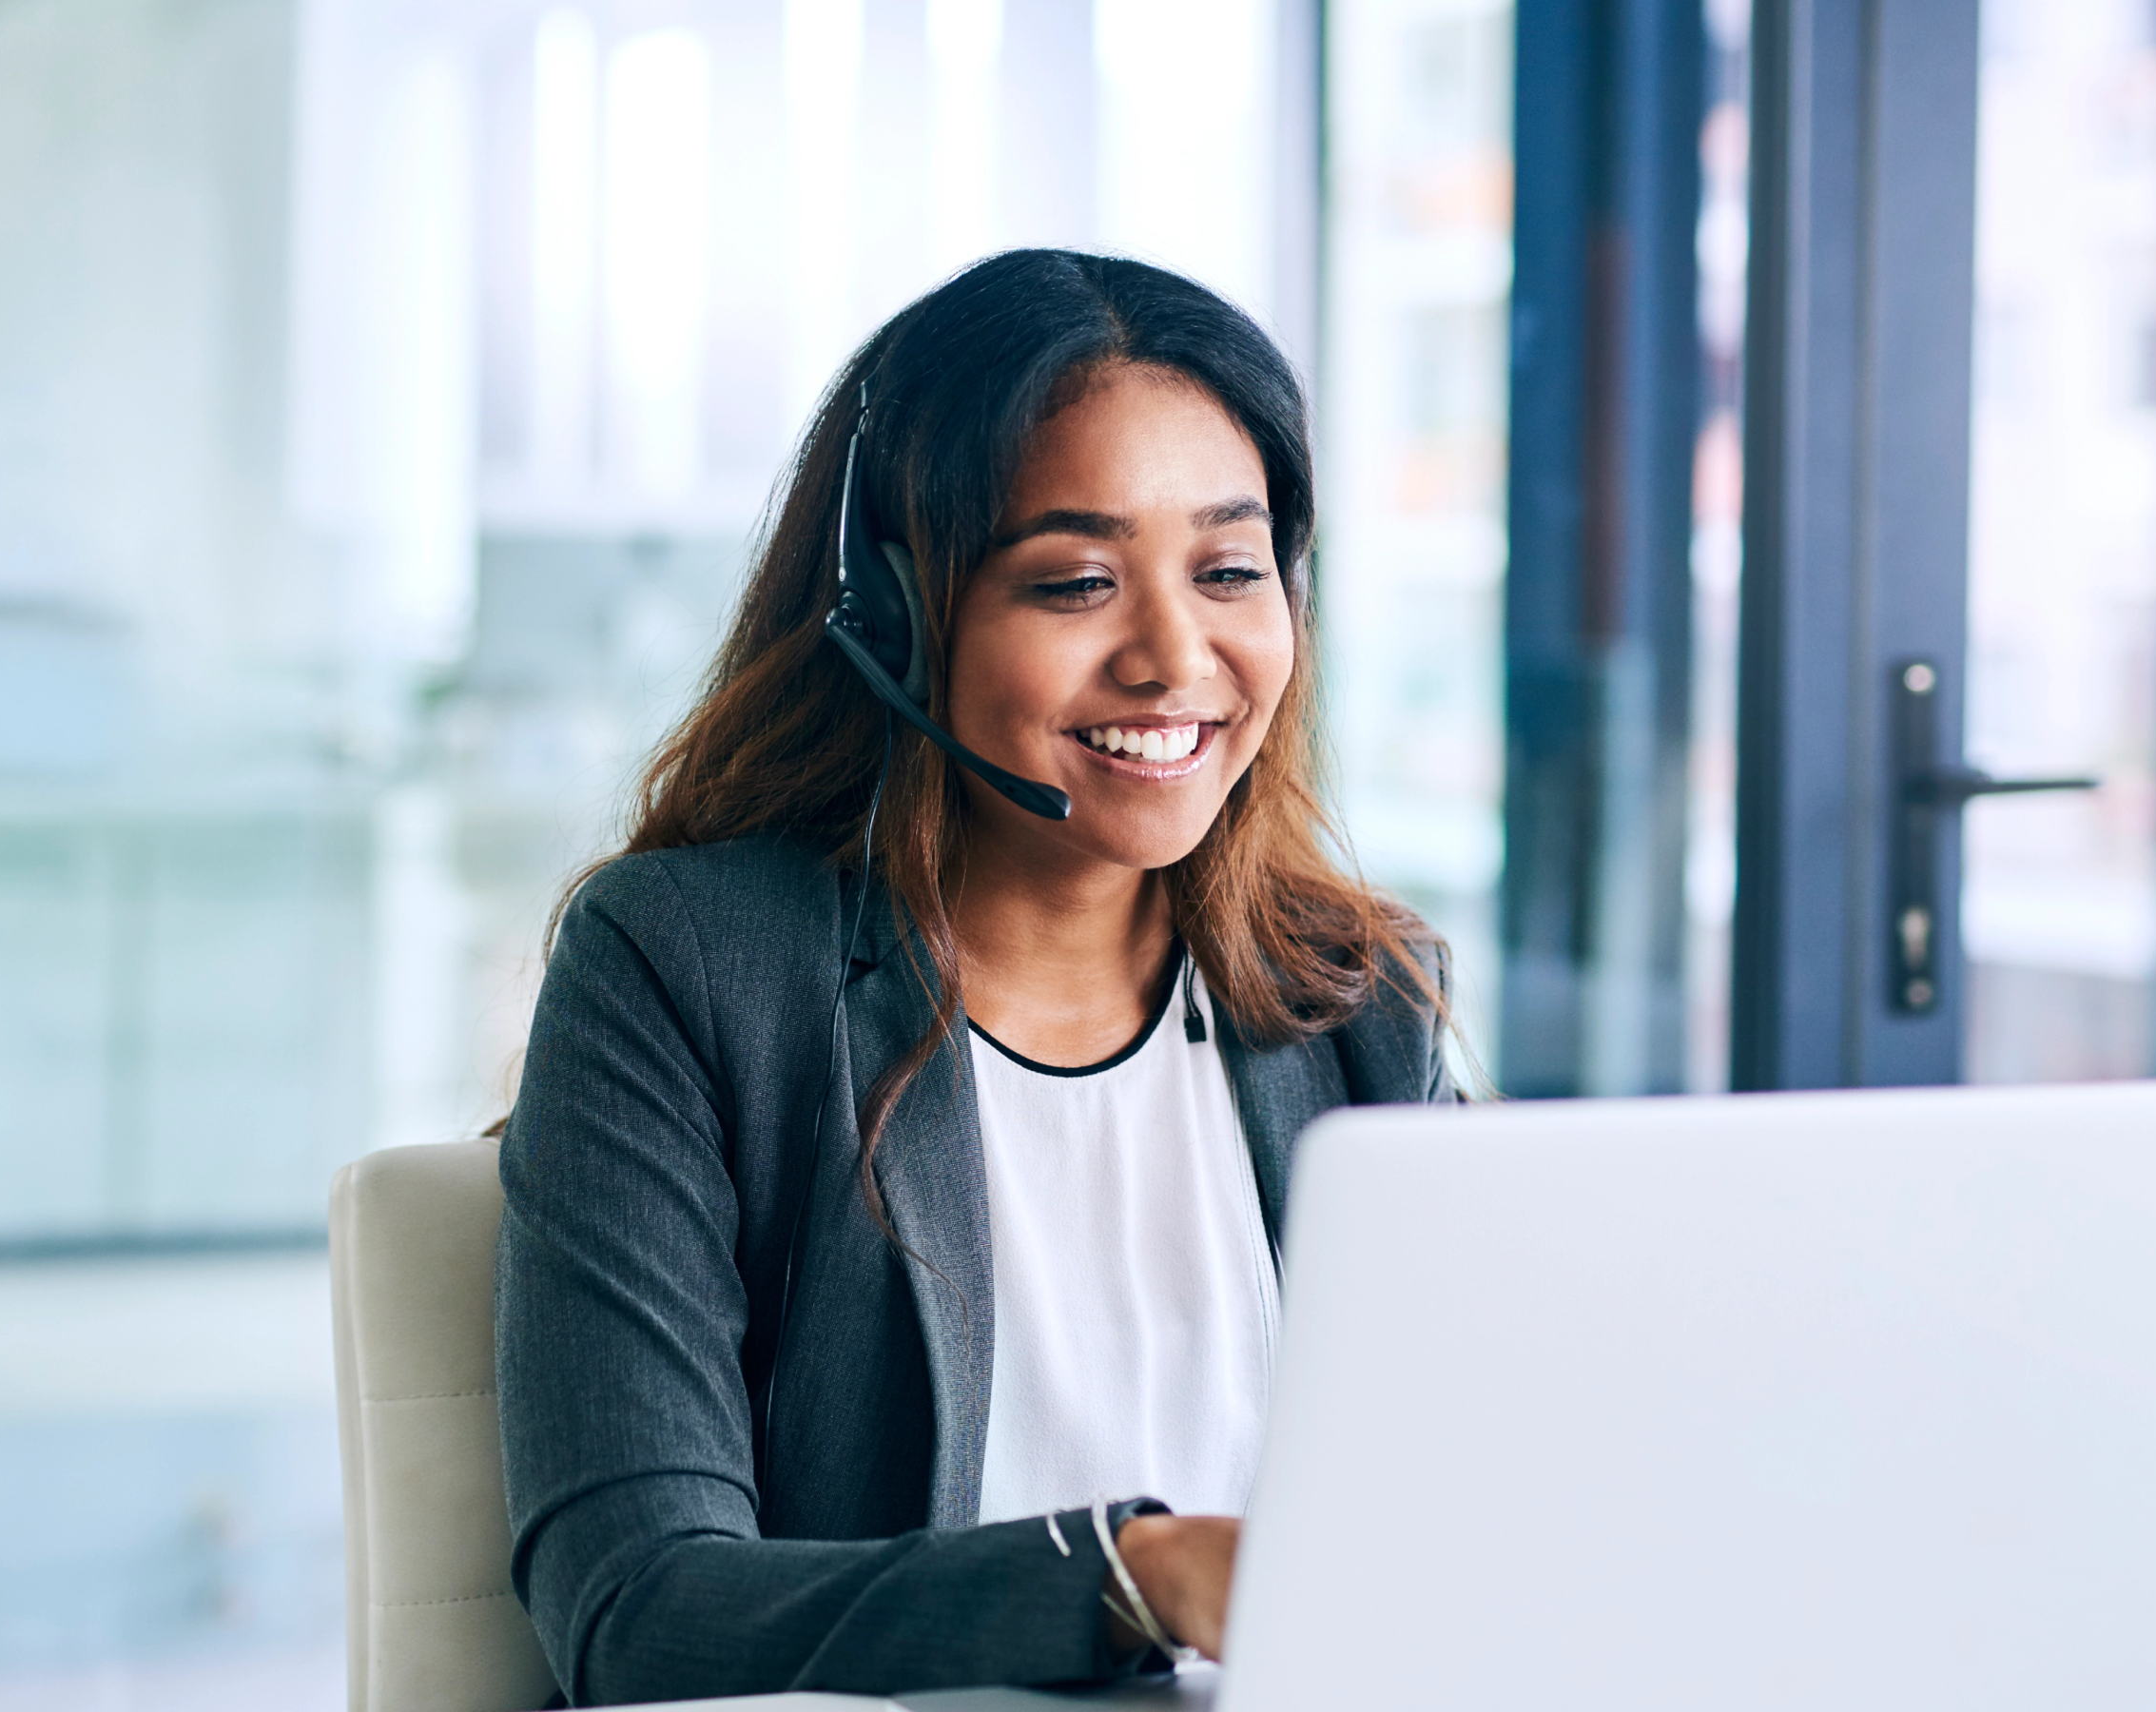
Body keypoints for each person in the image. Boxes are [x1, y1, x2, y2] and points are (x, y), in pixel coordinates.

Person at [495, 248, 1457, 1707]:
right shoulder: (687, 970)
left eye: (1228, 570)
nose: (1174, 656)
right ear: (893, 618)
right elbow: (640, 1612)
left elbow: (1470, 1520)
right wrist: (1141, 1576)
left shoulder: (1361, 999)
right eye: (1076, 581)